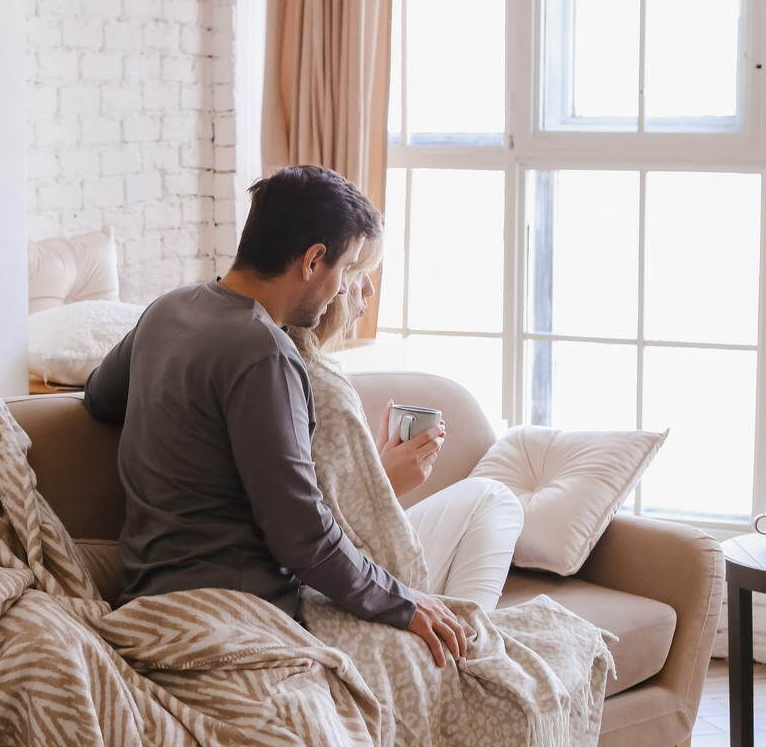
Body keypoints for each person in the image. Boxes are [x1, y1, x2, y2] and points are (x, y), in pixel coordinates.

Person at [84, 165, 466, 667]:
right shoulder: (264, 352)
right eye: (346, 269)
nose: (343, 289)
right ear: (313, 261)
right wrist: (402, 603)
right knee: (467, 655)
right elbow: (303, 537)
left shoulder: (168, 310)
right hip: (237, 613)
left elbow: (99, 397)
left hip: (147, 590)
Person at [290, 236, 523, 614]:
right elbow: (319, 540)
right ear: (318, 272)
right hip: (336, 586)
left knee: (491, 494)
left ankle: (466, 626)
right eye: (356, 272)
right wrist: (385, 484)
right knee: (494, 497)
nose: (368, 291)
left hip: (341, 569)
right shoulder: (321, 387)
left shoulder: (291, 366)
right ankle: (471, 632)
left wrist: (378, 477)